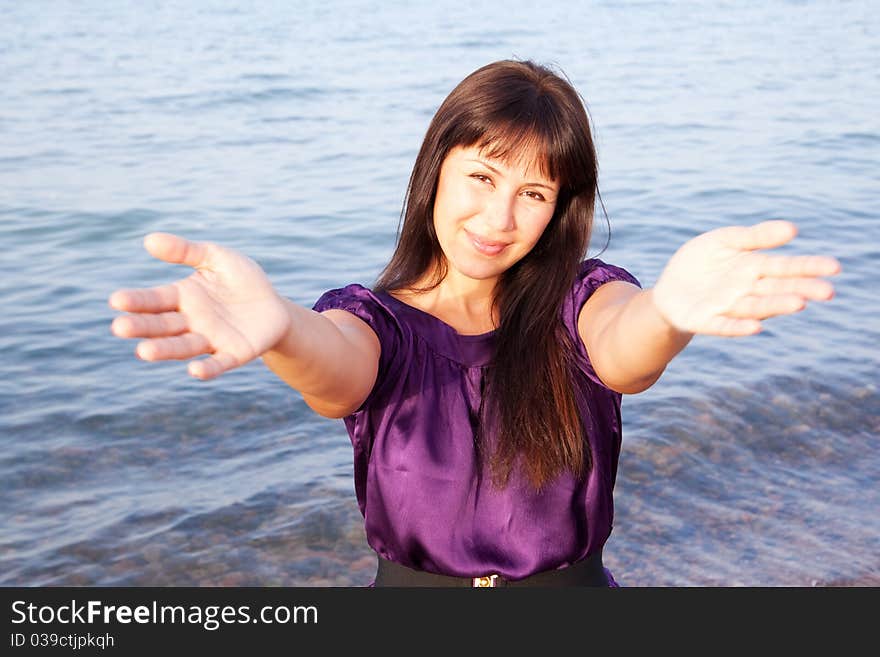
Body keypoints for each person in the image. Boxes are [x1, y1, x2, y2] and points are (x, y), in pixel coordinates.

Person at [108, 60, 841, 587]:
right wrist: (283, 331)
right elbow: (336, 372)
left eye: (534, 192)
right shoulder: (377, 322)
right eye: (482, 178)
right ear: (438, 167)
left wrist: (668, 315)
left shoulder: (579, 301)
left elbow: (624, 352)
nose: (499, 219)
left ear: (561, 208)